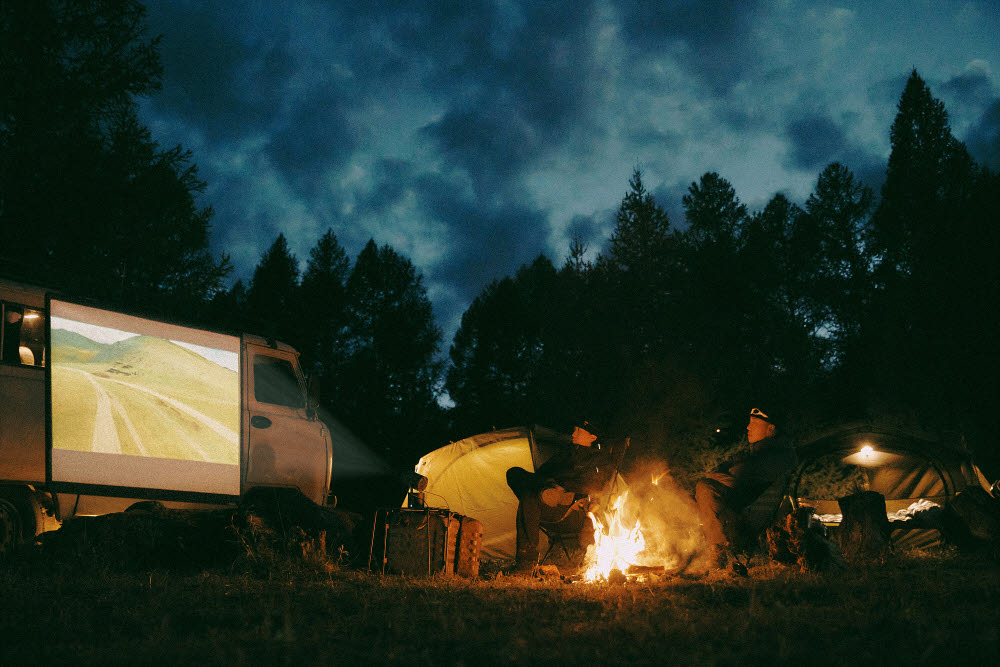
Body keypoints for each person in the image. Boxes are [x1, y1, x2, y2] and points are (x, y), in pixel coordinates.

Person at [506, 422, 625, 572]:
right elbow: (541, 473)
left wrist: (564, 485)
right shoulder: (565, 453)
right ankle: (551, 490)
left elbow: (595, 486)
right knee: (514, 473)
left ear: (592, 437)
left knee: (529, 498)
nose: (573, 434)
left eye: (578, 431)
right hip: (549, 502)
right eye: (575, 430)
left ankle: (525, 563)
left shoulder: (600, 459)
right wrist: (551, 484)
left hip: (573, 512)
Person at [695, 406, 798, 569]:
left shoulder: (776, 456)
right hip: (741, 509)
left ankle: (718, 552)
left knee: (705, 488)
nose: (748, 427)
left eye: (755, 423)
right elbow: (725, 469)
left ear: (770, 428)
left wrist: (717, 475)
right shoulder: (757, 452)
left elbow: (738, 478)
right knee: (703, 489)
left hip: (750, 515)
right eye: (749, 422)